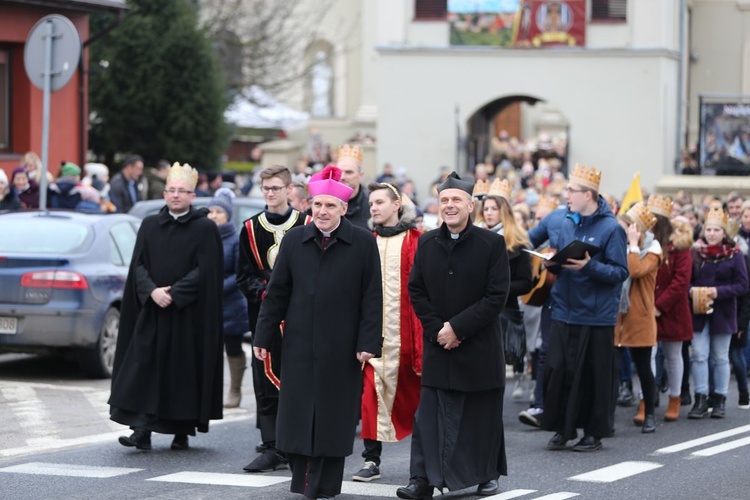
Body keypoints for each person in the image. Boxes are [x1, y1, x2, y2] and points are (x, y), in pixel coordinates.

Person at [252, 165, 382, 499]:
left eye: (329, 206)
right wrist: (264, 336)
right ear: (310, 206)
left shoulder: (363, 243)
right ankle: (303, 480)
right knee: (297, 415)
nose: (322, 212)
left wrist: (368, 342)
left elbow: (372, 297)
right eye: (317, 205)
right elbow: (276, 293)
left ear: (342, 209)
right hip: (298, 345)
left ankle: (323, 483)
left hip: (342, 347)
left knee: (332, 417)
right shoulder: (296, 240)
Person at [398, 172, 510, 499]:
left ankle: (486, 473)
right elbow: (416, 290)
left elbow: (495, 296)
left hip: (478, 347)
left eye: (456, 200)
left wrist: (457, 328)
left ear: (470, 205)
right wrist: (438, 330)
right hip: (439, 347)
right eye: (444, 200)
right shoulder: (427, 242)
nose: (449, 206)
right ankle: (421, 480)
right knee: (428, 419)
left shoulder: (492, 244)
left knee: (480, 417)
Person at [109, 162, 224, 451]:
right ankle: (141, 431)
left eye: (182, 191)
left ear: (192, 196)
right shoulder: (149, 224)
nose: (175, 196)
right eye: (171, 190)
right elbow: (139, 264)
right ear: (164, 194)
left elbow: (207, 270)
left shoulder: (205, 228)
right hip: (153, 311)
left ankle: (181, 430)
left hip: (187, 315)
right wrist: (152, 291)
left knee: (181, 373)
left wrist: (176, 292)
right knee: (144, 370)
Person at [542, 164, 628, 452]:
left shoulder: (612, 228)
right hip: (565, 309)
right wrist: (551, 261)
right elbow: (564, 258)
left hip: (595, 315)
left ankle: (593, 433)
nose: (566, 194)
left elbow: (619, 272)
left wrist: (590, 266)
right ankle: (562, 429)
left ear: (588, 195)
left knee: (592, 376)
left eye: (571, 190)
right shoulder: (568, 222)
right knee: (560, 371)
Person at [237, 165, 310, 472]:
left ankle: (298, 443)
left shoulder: (305, 223)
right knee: (265, 378)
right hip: (265, 315)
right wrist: (265, 293)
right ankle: (272, 446)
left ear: (289, 189)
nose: (270, 193)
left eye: (276, 188)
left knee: (300, 378)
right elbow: (243, 275)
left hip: (302, 316)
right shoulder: (251, 228)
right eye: (266, 188)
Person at [352, 182, 423, 483]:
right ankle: (371, 459)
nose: (374, 207)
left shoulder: (418, 240)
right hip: (373, 337)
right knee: (370, 397)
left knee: (418, 399)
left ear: (397, 205)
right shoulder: (363, 241)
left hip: (410, 335)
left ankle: (423, 462)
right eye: (372, 204)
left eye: (381, 202)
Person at [688, 207, 749, 419]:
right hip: (699, 311)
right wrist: (693, 291)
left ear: (724, 232)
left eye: (716, 230)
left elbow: (743, 286)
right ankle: (701, 398)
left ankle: (720, 398)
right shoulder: (695, 252)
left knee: (721, 357)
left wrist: (717, 292)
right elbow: (687, 281)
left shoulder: (735, 255)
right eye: (709, 229)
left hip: (723, 311)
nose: (712, 233)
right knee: (699, 355)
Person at [479, 179, 533, 401]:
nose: (490, 213)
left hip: (503, 311)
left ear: (504, 211)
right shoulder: (475, 236)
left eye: (494, 208)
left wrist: (499, 289)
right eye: (487, 209)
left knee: (496, 366)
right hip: (477, 310)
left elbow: (526, 282)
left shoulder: (516, 242)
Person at [614, 202, 662, 433]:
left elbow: (634, 270)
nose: (623, 232)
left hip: (639, 316)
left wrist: (633, 245)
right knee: (611, 369)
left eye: (627, 227)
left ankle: (650, 414)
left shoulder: (653, 251)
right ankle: (606, 418)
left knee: (644, 368)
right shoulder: (621, 247)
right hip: (617, 318)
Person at [518, 195, 563, 428]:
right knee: (545, 351)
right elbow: (526, 243)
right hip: (550, 298)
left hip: (575, 300)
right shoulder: (552, 222)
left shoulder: (574, 221)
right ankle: (540, 405)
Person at [206, 188, 250, 410]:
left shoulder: (236, 238)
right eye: (211, 211)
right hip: (207, 304)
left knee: (232, 347)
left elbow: (239, 273)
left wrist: (216, 288)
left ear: (228, 215)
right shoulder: (204, 237)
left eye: (218, 212)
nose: (213, 215)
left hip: (231, 304)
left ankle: (235, 390)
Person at [336, 144, 369, 228]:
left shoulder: (371, 205)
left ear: (360, 175)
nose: (342, 177)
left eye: (349, 172)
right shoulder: (324, 201)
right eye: (339, 172)